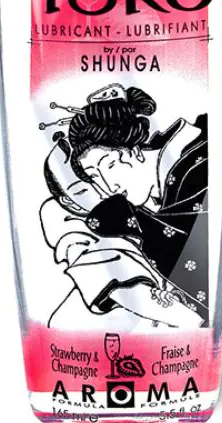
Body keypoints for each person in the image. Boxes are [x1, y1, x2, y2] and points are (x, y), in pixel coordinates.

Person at [67, 83, 209, 321]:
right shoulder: (160, 193)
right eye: (94, 177)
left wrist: (135, 220)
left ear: (134, 150)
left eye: (109, 165)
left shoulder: (199, 164)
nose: (108, 187)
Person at [40, 133, 204, 329]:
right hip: (107, 334)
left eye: (99, 175)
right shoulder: (77, 234)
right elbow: (127, 291)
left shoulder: (140, 197)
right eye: (82, 190)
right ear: (68, 202)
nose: (103, 190)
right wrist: (194, 322)